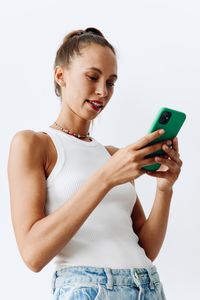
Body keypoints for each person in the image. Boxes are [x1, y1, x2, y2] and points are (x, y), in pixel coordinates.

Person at [8, 27, 182, 300]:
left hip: (149, 287)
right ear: (60, 75)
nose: (103, 92)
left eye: (111, 82)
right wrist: (106, 178)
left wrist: (164, 189)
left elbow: (145, 249)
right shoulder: (34, 144)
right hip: (91, 289)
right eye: (92, 77)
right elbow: (32, 254)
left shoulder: (114, 156)